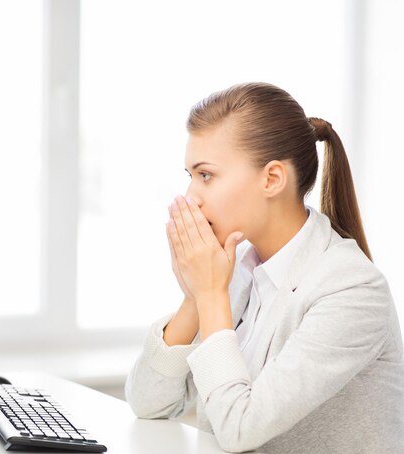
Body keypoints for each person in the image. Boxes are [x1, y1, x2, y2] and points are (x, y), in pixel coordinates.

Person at [124, 82, 404, 453]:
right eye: (190, 175)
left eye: (206, 175)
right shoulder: (238, 268)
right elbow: (148, 402)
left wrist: (210, 296)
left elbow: (240, 430)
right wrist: (194, 299)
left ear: (272, 179)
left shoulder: (351, 290)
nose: (191, 196)